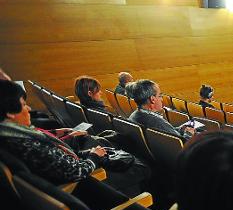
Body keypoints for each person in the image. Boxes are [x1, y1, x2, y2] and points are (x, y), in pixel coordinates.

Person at [0, 79, 150, 196]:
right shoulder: (28, 145)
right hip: (86, 182)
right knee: (142, 166)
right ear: (10, 113)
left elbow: (59, 159)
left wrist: (87, 153)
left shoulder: (13, 136)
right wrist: (93, 156)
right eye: (23, 104)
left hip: (76, 165)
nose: (29, 109)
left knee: (109, 146)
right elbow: (75, 171)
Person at [127, 79, 194, 140]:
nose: (161, 99)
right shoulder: (156, 122)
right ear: (152, 99)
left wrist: (181, 129)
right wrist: (189, 134)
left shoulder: (134, 115)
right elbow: (183, 144)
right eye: (159, 96)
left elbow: (168, 132)